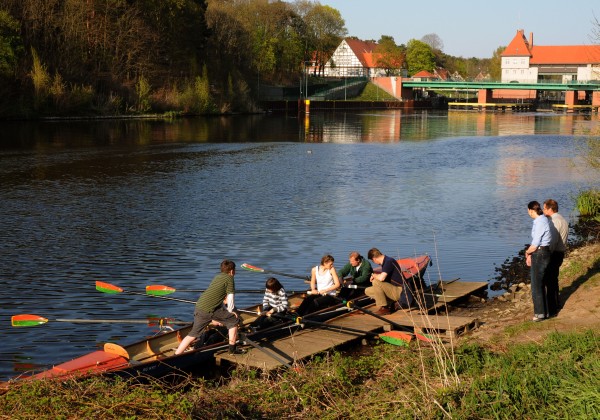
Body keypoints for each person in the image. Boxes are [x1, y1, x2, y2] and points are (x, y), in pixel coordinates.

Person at [175, 259, 245, 355]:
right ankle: (232, 350)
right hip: (210, 310)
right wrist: (231, 310)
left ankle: (176, 355)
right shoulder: (230, 278)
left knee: (193, 334)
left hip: (199, 306)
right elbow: (230, 297)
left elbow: (217, 298)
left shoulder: (217, 277)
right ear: (232, 271)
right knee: (233, 321)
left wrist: (224, 310)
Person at [525, 201, 553, 322]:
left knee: (536, 285)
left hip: (540, 253)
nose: (528, 213)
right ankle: (546, 312)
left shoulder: (540, 221)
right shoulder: (542, 220)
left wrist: (527, 253)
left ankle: (540, 314)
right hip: (543, 252)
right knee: (541, 282)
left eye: (528, 211)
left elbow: (535, 243)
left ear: (531, 210)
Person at [366, 248, 415, 315]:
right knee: (367, 291)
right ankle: (388, 302)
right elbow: (383, 275)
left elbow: (381, 278)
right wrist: (376, 276)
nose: (374, 263)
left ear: (374, 258)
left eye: (372, 261)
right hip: (394, 289)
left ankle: (384, 308)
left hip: (400, 291)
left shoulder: (388, 261)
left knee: (376, 282)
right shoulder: (386, 261)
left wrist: (374, 275)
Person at [543, 199, 569, 317]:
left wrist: (547, 253)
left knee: (550, 280)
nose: (543, 211)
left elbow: (552, 240)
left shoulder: (554, 221)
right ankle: (556, 303)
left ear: (550, 209)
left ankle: (552, 309)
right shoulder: (562, 219)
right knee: (554, 278)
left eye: (544, 208)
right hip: (560, 252)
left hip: (554, 253)